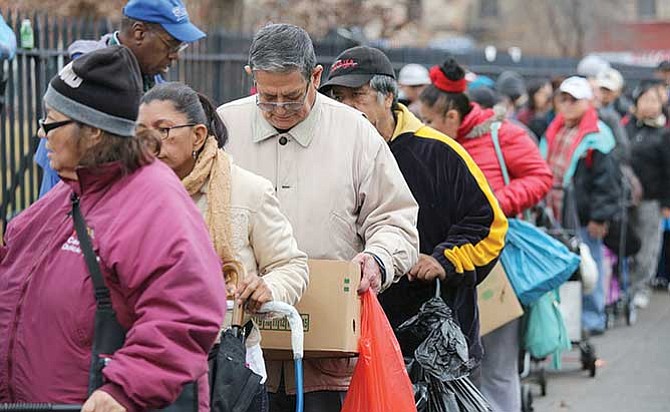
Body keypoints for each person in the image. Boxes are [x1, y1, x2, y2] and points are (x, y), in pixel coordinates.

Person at [0, 46, 225, 411]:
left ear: (91, 133)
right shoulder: (65, 194)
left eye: (51, 122)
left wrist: (123, 390)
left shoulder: (153, 201)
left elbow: (186, 310)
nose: (41, 134)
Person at [216, 24, 420, 412]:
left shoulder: (355, 133)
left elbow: (397, 221)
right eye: (267, 97)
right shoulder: (225, 127)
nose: (279, 109)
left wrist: (378, 260)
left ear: (316, 77)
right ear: (251, 78)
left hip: (327, 356)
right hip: (238, 352)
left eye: (291, 97)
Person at [320, 46, 508, 380]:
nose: (346, 107)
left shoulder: (439, 152)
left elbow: (489, 226)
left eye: (357, 96)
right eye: (337, 97)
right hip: (345, 336)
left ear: (388, 96)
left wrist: (443, 260)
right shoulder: (324, 154)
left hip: (433, 341)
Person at [138, 82, 310, 408]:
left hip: (228, 364)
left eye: (164, 130)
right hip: (149, 358)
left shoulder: (248, 191)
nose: (150, 142)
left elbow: (291, 265)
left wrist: (267, 287)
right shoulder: (130, 192)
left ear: (198, 136)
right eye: (141, 131)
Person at [419, 58, 553, 412]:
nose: (423, 126)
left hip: (494, 261)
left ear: (451, 117)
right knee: (463, 367)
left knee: (497, 367)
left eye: (428, 120)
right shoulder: (431, 146)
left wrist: (493, 205)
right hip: (448, 265)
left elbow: (541, 177)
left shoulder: (500, 133)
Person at [35, 0, 205, 198]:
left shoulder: (151, 78)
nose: (175, 56)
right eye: (171, 44)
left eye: (180, 47)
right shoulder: (90, 75)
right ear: (139, 32)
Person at [542, 76, 621, 334]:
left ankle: (592, 318)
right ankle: (564, 322)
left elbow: (607, 181)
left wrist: (599, 217)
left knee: (590, 266)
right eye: (563, 98)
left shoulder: (599, 135)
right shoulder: (555, 129)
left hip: (584, 216)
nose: (567, 104)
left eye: (574, 99)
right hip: (555, 213)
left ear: (587, 102)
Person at [622, 80, 670, 308]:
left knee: (647, 245)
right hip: (624, 199)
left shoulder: (663, 135)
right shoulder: (627, 127)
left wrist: (667, 202)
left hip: (651, 200)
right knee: (625, 243)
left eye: (655, 101)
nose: (651, 105)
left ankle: (640, 287)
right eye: (646, 100)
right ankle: (623, 287)